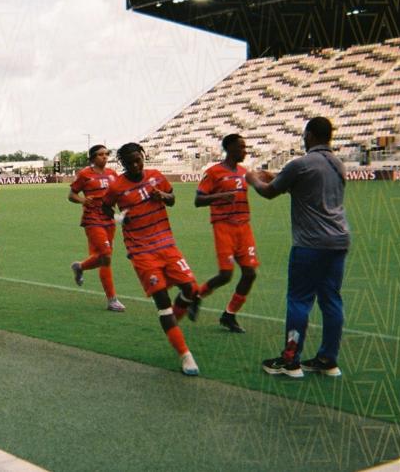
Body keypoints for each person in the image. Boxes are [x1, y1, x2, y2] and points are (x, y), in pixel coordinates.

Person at [247, 117, 350, 379]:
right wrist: (276, 177)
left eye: (305, 135)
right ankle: (328, 359)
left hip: (310, 244)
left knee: (299, 300)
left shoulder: (300, 164)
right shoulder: (338, 165)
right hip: (338, 242)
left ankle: (290, 361)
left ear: (311, 135)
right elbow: (305, 188)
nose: (303, 139)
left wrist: (252, 179)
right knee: (331, 300)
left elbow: (269, 191)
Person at [102, 142, 201, 376]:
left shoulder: (156, 176)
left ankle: (173, 324)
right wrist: (118, 218)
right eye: (130, 162)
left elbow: (173, 199)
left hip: (167, 244)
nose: (136, 165)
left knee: (191, 289)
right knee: (162, 301)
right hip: (141, 251)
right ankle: (185, 355)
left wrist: (163, 195)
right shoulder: (117, 186)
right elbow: (105, 207)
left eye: (139, 159)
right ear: (123, 164)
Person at [191, 134, 258, 333]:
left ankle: (229, 315)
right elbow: (198, 200)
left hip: (244, 227)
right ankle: (197, 296)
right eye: (241, 147)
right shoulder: (213, 172)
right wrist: (221, 196)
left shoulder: (244, 172)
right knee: (226, 274)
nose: (245, 151)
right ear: (229, 149)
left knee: (250, 273)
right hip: (224, 227)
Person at [68, 144, 125, 312]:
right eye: (100, 154)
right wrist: (83, 201)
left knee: (103, 259)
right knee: (105, 256)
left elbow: (119, 195)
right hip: (92, 219)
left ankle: (80, 267)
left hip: (109, 219)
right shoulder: (85, 174)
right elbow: (71, 195)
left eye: (106, 154)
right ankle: (112, 300)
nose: (105, 157)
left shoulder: (113, 174)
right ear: (93, 157)